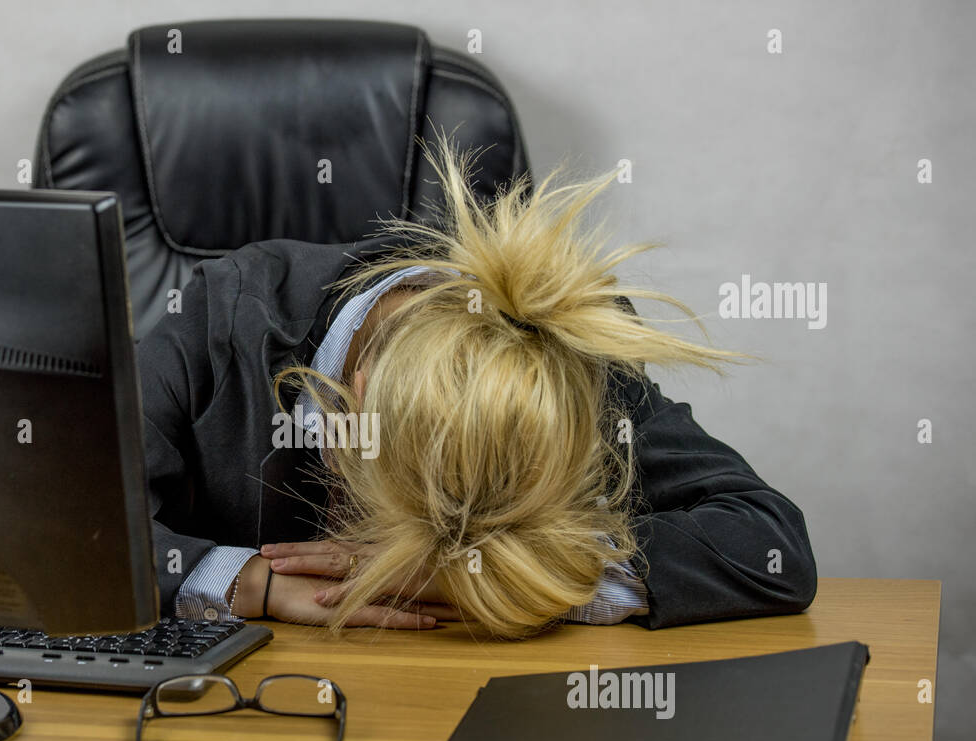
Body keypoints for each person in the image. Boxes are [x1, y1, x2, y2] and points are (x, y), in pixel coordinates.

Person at [138, 137, 816, 638]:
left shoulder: (562, 361)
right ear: (352, 414)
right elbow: (57, 524)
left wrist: (502, 575)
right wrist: (247, 582)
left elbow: (770, 543)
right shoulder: (216, 317)